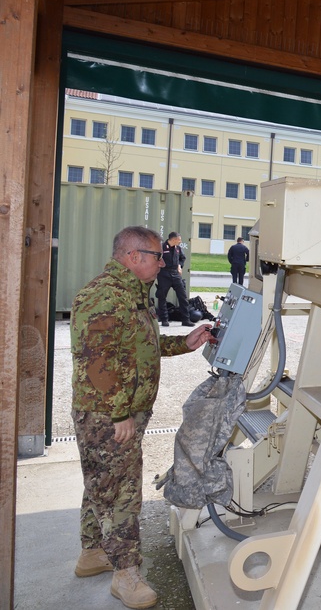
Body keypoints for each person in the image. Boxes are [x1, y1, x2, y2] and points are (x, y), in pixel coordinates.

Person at [70, 226, 214, 609]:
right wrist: (120, 414)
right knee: (122, 491)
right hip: (107, 414)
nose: (163, 262)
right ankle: (126, 575)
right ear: (133, 257)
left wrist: (184, 343)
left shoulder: (132, 293)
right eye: (157, 256)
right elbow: (98, 361)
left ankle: (92, 553)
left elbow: (138, 349)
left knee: (101, 481)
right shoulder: (105, 295)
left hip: (117, 411)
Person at [155, 231, 192, 327]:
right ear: (174, 239)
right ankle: (164, 320)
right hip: (164, 274)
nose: (180, 241)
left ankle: (186, 320)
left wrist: (180, 266)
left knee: (183, 296)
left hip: (175, 274)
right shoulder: (161, 248)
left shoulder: (178, 248)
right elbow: (155, 259)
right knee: (162, 297)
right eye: (179, 240)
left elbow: (182, 258)